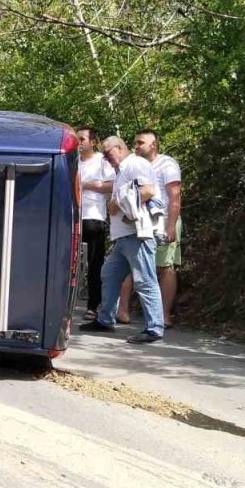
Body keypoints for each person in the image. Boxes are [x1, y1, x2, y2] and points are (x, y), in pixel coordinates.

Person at [78, 136, 165, 344]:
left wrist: (116, 201)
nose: (106, 158)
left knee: (145, 280)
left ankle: (154, 328)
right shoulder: (121, 171)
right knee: (109, 274)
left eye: (107, 153)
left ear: (119, 148)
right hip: (125, 237)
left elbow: (148, 190)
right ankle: (105, 319)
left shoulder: (135, 164)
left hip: (138, 234)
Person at [116, 129, 182, 328]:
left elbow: (174, 196)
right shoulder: (133, 164)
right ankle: (122, 310)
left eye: (140, 143)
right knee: (130, 263)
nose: (136, 146)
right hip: (137, 222)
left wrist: (171, 226)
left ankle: (164, 315)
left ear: (154, 145)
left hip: (162, 221)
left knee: (165, 267)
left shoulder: (167, 164)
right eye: (135, 142)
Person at [76, 127, 114, 321]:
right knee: (67, 261)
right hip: (72, 216)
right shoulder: (73, 161)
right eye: (77, 139)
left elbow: (112, 185)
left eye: (82, 139)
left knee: (94, 263)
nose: (79, 142)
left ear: (93, 142)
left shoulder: (102, 161)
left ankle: (93, 305)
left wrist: (86, 184)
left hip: (94, 217)